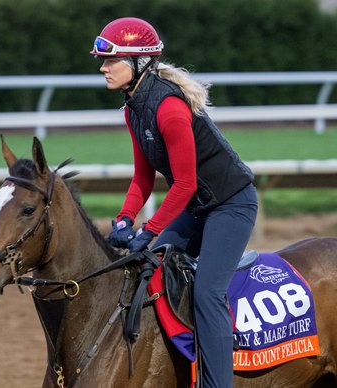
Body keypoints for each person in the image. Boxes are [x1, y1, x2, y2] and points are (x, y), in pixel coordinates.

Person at [91, 17, 258, 388]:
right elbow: (142, 177)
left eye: (110, 60)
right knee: (145, 270)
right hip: (198, 207)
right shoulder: (133, 107)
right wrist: (124, 218)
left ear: (138, 63)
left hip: (232, 205)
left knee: (207, 291)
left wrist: (147, 230)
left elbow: (184, 184)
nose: (102, 68)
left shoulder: (168, 107)